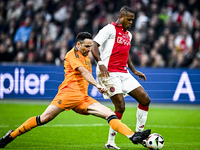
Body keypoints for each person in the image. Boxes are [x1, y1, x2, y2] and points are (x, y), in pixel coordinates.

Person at [0, 32, 151, 148]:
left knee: (110, 114)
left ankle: (132, 136)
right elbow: (84, 73)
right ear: (78, 44)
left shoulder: (86, 55)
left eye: (91, 46)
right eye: (86, 46)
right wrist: (97, 86)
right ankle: (11, 136)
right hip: (67, 95)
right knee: (43, 119)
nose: (89, 49)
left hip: (83, 98)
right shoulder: (71, 55)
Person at [91, 6, 151, 149]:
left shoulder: (128, 35)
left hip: (124, 72)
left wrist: (134, 70)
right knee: (120, 106)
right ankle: (110, 142)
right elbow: (94, 45)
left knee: (145, 99)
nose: (131, 22)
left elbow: (126, 54)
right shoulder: (109, 29)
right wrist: (100, 63)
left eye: (132, 20)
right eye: (129, 19)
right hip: (108, 72)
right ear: (122, 17)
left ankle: (139, 134)